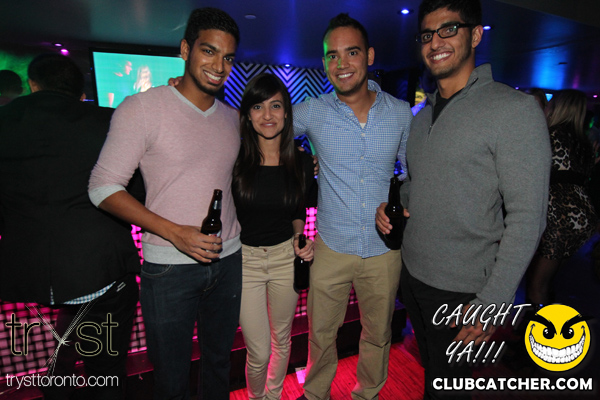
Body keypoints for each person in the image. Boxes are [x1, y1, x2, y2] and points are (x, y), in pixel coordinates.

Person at [376, 0, 551, 398]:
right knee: (432, 378)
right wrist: (393, 206)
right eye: (427, 34)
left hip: (463, 292)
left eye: (448, 29)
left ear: (475, 35)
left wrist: (492, 302)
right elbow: (418, 185)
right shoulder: (422, 116)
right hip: (414, 276)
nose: (435, 41)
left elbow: (528, 219)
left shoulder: (514, 110)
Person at [88, 8, 242, 400]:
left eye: (228, 57)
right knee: (171, 378)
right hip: (170, 269)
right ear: (186, 49)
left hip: (229, 260)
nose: (219, 66)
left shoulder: (232, 119)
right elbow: (102, 187)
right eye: (208, 51)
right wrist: (175, 233)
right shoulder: (141, 109)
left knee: (219, 365)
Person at [0, 54, 139, 399]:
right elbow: (135, 194)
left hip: (29, 274)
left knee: (62, 355)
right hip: (99, 270)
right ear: (81, 92)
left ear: (33, 84)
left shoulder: (5, 121)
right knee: (105, 374)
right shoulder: (108, 122)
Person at [294, 13, 413, 400]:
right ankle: (316, 395)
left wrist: (401, 204)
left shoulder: (399, 112)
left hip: (383, 251)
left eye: (352, 52)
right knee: (320, 336)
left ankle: (367, 395)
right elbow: (263, 128)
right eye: (332, 55)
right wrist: (300, 161)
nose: (341, 63)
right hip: (331, 246)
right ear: (324, 62)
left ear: (370, 56)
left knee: (378, 335)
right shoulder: (313, 111)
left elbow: (412, 174)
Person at [233, 73, 316, 400]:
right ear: (248, 115)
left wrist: (299, 235)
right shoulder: (234, 160)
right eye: (258, 106)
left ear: (286, 113)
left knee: (282, 340)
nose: (267, 115)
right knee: (259, 350)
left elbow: (297, 209)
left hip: (285, 259)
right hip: (245, 263)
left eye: (276, 106)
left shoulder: (302, 161)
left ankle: (274, 395)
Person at [527, 89, 598, 306]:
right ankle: (541, 320)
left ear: (557, 108)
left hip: (560, 217)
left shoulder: (549, 136)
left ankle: (545, 327)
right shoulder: (584, 143)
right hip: (582, 218)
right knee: (547, 281)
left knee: (537, 285)